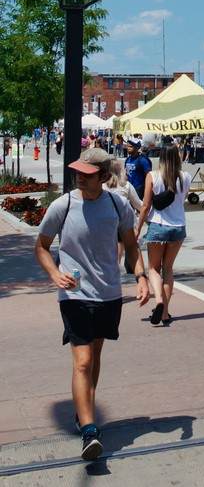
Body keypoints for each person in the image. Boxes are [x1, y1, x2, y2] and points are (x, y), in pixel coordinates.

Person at [34, 148, 150, 461]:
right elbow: (42, 247)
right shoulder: (64, 205)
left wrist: (140, 276)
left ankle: (84, 407)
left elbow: (131, 244)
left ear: (102, 176)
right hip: (74, 295)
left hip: (109, 294)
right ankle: (89, 430)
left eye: (86, 174)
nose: (78, 178)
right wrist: (54, 273)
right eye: (77, 173)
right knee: (82, 361)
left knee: (95, 356)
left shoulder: (117, 204)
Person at [136, 144, 190, 326]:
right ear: (178, 157)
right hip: (178, 227)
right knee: (168, 269)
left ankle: (158, 299)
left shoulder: (153, 176)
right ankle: (165, 313)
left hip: (158, 226)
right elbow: (182, 200)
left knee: (153, 268)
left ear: (160, 157)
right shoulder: (186, 177)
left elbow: (145, 206)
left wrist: (138, 228)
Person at [104, 160, 143, 264]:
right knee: (116, 260)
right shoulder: (126, 186)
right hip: (120, 226)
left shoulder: (102, 185)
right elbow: (139, 205)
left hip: (103, 225)